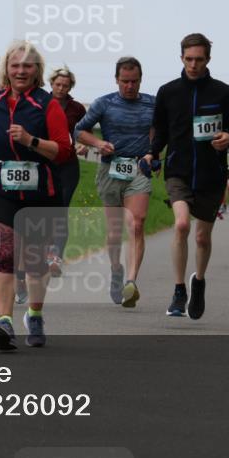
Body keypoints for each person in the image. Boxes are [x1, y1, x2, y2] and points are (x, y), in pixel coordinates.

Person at [0, 41, 71, 350]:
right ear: (6, 69)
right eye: (15, 65)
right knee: (6, 251)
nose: (21, 71)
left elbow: (63, 150)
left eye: (27, 66)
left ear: (37, 71)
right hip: (1, 189)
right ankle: (4, 321)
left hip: (41, 192)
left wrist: (30, 140)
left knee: (36, 261)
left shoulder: (47, 104)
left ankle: (35, 314)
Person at [144, 33, 229, 319]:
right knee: (181, 225)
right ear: (181, 58)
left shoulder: (222, 93)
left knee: (202, 238)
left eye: (199, 60)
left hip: (211, 174)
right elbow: (159, 130)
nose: (193, 65)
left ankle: (198, 281)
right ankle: (179, 290)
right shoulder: (168, 92)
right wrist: (152, 153)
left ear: (208, 60)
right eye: (188, 59)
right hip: (178, 170)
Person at [75, 57, 156, 309]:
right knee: (114, 231)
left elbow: (161, 131)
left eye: (134, 81)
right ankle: (116, 269)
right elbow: (79, 131)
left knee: (137, 224)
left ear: (141, 80)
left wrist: (152, 152)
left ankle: (131, 282)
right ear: (116, 80)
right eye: (125, 81)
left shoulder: (152, 103)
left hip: (139, 169)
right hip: (110, 169)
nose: (129, 86)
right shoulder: (104, 103)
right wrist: (98, 143)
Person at [48, 66, 89, 276]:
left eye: (65, 85)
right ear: (51, 84)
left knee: (61, 209)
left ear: (70, 86)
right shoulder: (40, 103)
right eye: (58, 84)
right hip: (45, 163)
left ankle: (55, 257)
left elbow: (84, 132)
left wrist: (83, 144)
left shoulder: (77, 109)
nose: (61, 88)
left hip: (68, 165)